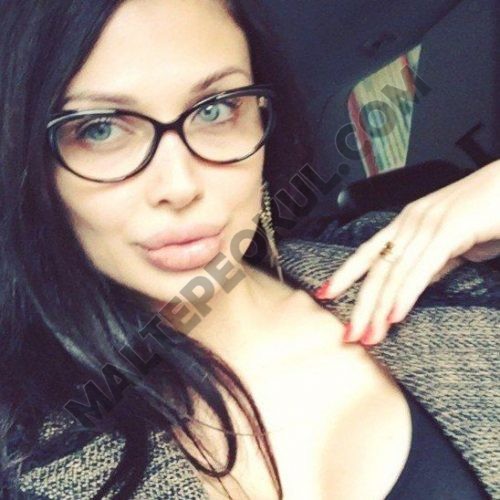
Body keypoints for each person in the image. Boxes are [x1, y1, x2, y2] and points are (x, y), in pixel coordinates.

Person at [0, 1, 497, 499]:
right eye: (99, 128)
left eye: (215, 109)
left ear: (261, 119)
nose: (180, 185)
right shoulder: (26, 451)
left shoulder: (430, 268)